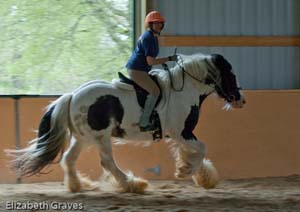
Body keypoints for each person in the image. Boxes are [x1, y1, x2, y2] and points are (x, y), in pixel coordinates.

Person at [126, 11, 177, 132]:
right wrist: (169, 59)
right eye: (156, 23)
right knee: (155, 91)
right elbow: (150, 61)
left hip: (141, 69)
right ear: (150, 24)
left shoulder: (152, 37)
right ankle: (143, 123)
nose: (159, 25)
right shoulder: (148, 38)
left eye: (160, 23)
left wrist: (163, 61)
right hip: (137, 70)